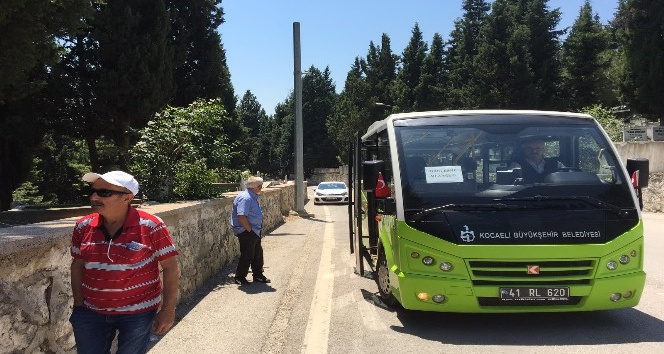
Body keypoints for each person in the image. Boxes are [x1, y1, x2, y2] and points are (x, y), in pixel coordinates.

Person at [69, 171, 180, 354]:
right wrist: (79, 306)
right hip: (91, 313)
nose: (94, 196)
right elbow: (77, 265)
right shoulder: (83, 226)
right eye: (93, 191)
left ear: (127, 197)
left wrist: (168, 310)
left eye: (104, 193)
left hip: (138, 313)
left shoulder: (151, 225)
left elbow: (170, 268)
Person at [231, 176, 271, 285]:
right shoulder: (246, 198)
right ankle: (240, 277)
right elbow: (241, 216)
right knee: (247, 254)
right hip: (247, 231)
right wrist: (249, 230)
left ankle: (258, 275)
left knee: (257, 253)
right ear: (257, 187)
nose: (261, 188)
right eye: (260, 186)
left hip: (253, 231)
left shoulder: (252, 196)